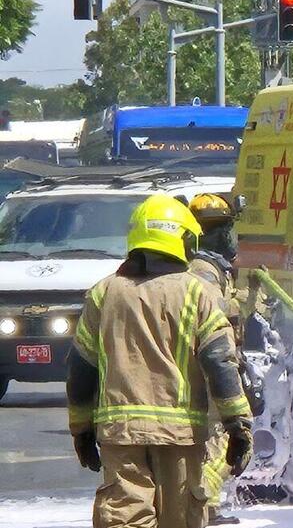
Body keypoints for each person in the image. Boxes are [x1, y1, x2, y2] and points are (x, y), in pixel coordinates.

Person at [66, 194, 253, 528]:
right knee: (180, 519)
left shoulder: (104, 293)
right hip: (180, 437)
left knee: (125, 518)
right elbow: (220, 363)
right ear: (183, 238)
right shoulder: (198, 293)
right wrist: (237, 426)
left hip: (120, 437)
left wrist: (81, 430)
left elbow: (81, 368)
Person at [188, 193, 245, 525]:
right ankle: (204, 506)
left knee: (210, 442)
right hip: (210, 372)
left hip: (209, 369)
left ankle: (205, 507)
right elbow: (214, 330)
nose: (229, 238)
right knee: (221, 439)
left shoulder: (214, 271)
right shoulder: (203, 275)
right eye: (223, 230)